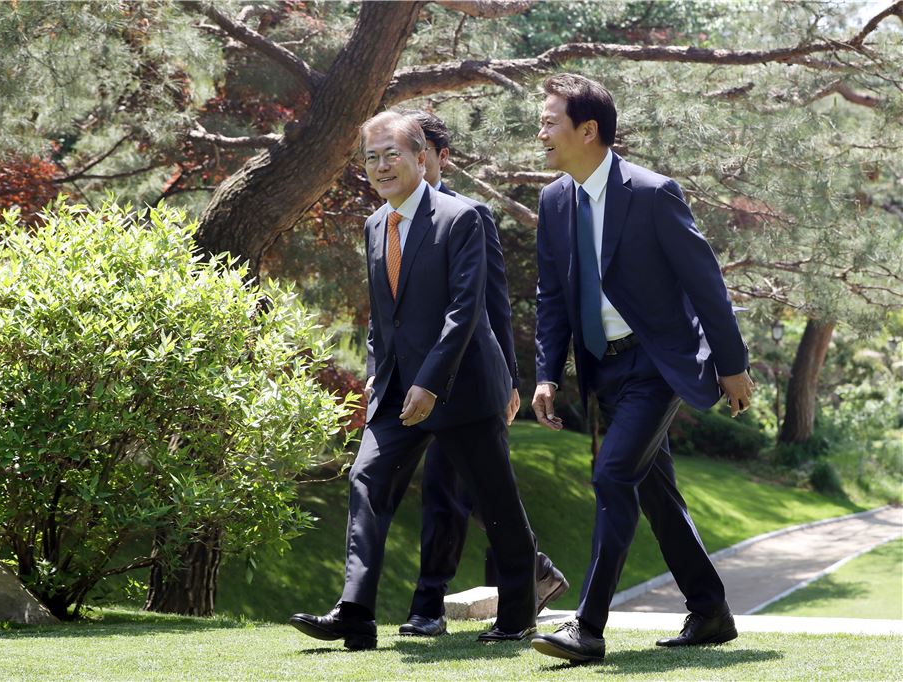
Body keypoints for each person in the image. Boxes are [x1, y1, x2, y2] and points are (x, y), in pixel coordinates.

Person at [289, 112, 538, 650]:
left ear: (421, 159)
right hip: (397, 391)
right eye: (371, 158)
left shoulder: (462, 217)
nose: (381, 166)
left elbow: (465, 310)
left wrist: (431, 382)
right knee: (366, 479)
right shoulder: (374, 224)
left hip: (462, 388)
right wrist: (378, 374)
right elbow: (384, 317)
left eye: (392, 155)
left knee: (496, 502)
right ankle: (355, 613)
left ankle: (518, 616)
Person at [527, 74, 753, 663]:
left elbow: (705, 283)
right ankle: (710, 611)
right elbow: (552, 297)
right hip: (604, 369)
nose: (540, 132)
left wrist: (732, 366)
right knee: (657, 495)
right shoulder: (554, 201)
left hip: (657, 364)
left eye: (549, 122)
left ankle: (588, 626)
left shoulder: (653, 193)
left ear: (588, 130)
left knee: (612, 477)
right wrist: (547, 374)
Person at [393, 109, 568, 639]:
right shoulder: (391, 218)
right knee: (465, 489)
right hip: (412, 380)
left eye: (421, 152)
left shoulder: (471, 215)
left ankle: (429, 606)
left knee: (453, 489)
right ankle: (536, 573)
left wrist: (509, 379)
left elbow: (492, 303)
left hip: (465, 381)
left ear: (440, 158)